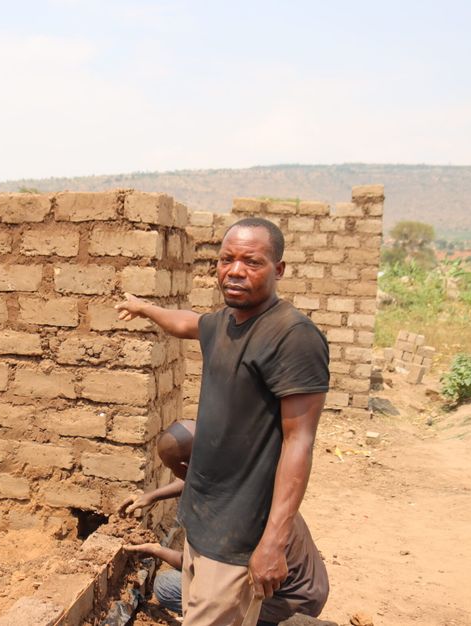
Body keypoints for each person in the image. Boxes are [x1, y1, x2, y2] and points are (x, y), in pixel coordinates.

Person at [115, 217, 330, 625]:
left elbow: (299, 443)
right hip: (205, 527)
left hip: (241, 536)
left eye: (252, 262)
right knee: (182, 598)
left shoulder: (293, 336)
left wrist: (273, 542)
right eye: (226, 259)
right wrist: (144, 308)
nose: (234, 270)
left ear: (279, 269)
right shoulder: (223, 324)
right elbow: (184, 322)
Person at [121, 421, 329, 624]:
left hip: (287, 601)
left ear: (184, 467)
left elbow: (204, 569)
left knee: (170, 588)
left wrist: (157, 550)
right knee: (173, 584)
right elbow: (191, 477)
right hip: (310, 585)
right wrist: (151, 496)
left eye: (170, 468)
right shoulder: (237, 470)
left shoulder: (227, 515)